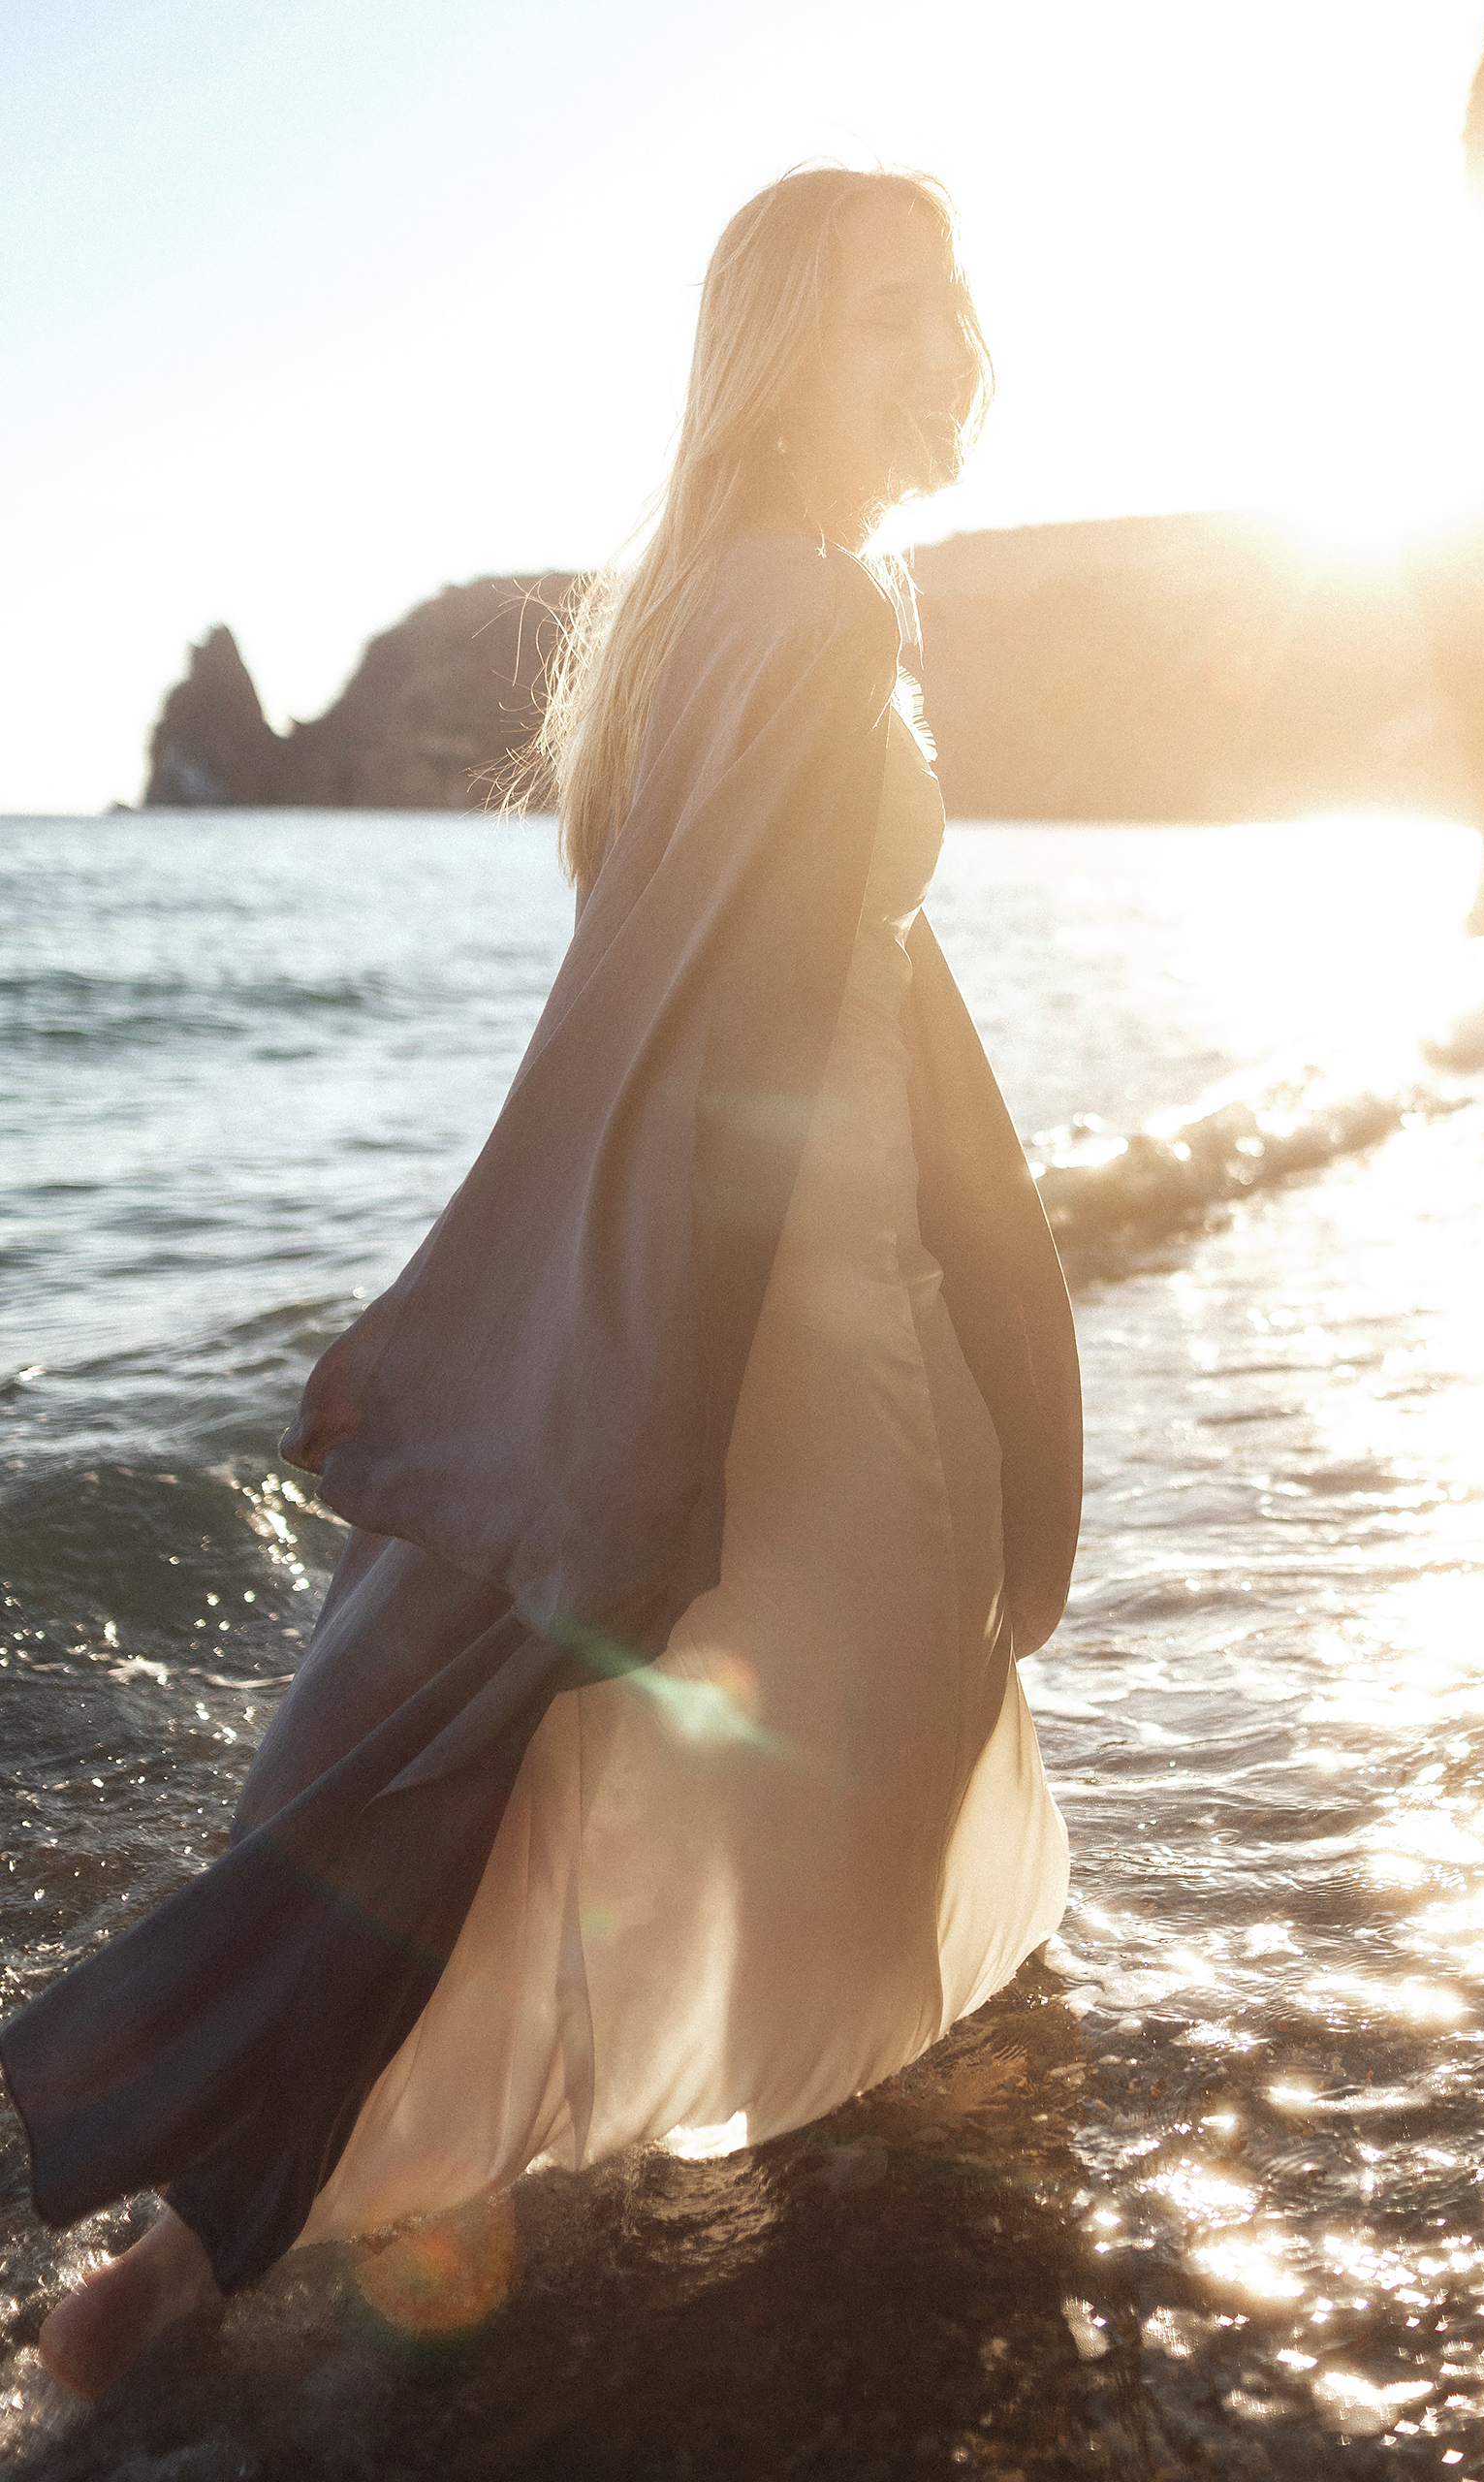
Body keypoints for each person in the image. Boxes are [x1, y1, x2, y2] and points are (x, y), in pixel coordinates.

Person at [8, 164, 1083, 2402]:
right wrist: (679, 1400)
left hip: (773, 1299)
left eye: (949, 308)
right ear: (780, 347)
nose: (942, 351)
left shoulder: (712, 606)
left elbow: (779, 989)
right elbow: (743, 1022)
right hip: (806, 1322)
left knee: (585, 1768)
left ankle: (211, 2250)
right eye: (888, 314)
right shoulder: (813, 620)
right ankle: (882, 2301)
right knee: (823, 1757)